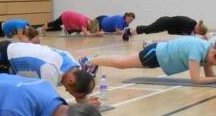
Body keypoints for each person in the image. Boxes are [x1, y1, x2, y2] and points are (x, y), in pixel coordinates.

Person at [0, 41, 100, 105]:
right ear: (71, 80)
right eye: (69, 90)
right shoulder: (50, 69)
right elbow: (50, 104)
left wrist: (83, 100)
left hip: (13, 67)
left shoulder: (74, 66)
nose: (65, 90)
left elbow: (80, 88)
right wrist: (77, 106)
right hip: (4, 53)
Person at [80, 36, 216, 84]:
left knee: (123, 62)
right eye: (214, 59)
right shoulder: (197, 50)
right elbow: (196, 79)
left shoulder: (208, 52)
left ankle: (92, 62)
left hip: (160, 58)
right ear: (213, 50)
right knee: (122, 63)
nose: (212, 62)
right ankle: (89, 60)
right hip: (155, 54)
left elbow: (210, 76)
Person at [122, 16, 208, 41]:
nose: (197, 34)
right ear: (199, 29)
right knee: (149, 29)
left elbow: (189, 36)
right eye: (199, 33)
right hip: (164, 22)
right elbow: (186, 36)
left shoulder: (192, 25)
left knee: (149, 30)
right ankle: (128, 31)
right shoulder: (191, 24)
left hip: (167, 25)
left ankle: (130, 32)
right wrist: (200, 38)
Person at [40, 10, 104, 36]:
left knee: (76, 31)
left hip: (69, 16)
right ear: (90, 26)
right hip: (66, 16)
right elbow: (86, 34)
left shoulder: (89, 20)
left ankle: (68, 31)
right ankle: (41, 29)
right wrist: (96, 34)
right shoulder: (83, 22)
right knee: (54, 23)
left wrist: (96, 32)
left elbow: (86, 31)